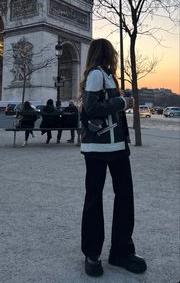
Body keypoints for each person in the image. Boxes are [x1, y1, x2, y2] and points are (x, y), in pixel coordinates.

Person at [80, 38, 147, 277]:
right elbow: (91, 108)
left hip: (116, 146)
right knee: (95, 199)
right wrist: (123, 101)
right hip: (99, 148)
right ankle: (92, 253)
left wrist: (120, 100)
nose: (116, 57)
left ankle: (120, 251)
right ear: (107, 53)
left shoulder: (107, 76)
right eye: (113, 53)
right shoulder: (97, 75)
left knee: (124, 197)